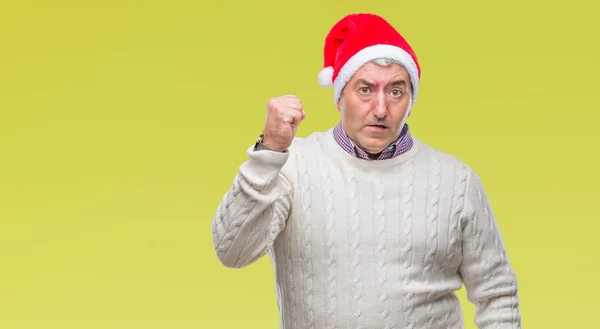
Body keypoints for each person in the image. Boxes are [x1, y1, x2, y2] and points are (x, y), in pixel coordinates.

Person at [211, 12, 521, 329]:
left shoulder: (456, 181)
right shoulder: (293, 167)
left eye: (396, 91)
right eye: (365, 90)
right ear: (339, 97)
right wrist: (270, 150)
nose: (381, 109)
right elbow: (232, 252)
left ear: (411, 100)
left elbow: (497, 295)